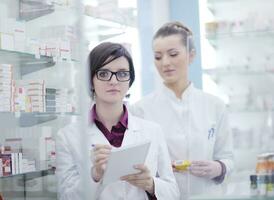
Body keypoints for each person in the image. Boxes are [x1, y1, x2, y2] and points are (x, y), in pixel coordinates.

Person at [56, 42, 179, 200]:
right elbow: (65, 196)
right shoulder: (68, 137)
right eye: (103, 73)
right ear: (91, 80)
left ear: (129, 80)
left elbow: (173, 192)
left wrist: (151, 184)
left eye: (122, 74)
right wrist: (95, 176)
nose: (113, 81)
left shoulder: (153, 131)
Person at [130, 21, 234, 199]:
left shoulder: (215, 105)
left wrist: (219, 167)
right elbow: (135, 165)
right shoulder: (140, 110)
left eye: (173, 54)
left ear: (191, 55)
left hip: (207, 195)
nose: (165, 63)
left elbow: (228, 157)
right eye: (158, 56)